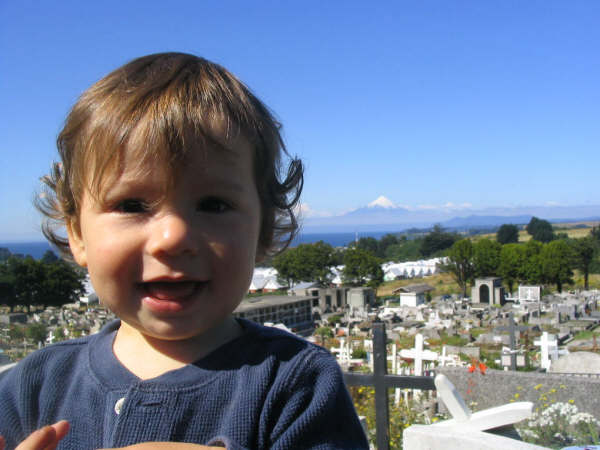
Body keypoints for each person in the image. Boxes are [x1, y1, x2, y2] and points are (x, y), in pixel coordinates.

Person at [0, 53, 368, 450]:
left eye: (213, 204)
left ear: (264, 229)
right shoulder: (31, 386)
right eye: (131, 205)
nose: (172, 238)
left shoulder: (298, 383)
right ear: (77, 234)